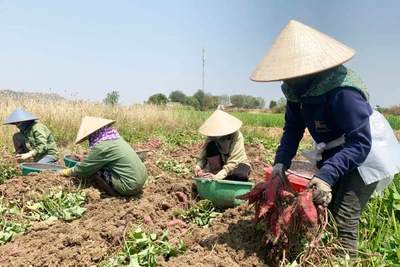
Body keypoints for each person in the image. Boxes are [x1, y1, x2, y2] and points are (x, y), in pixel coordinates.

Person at [250, 20, 400, 258]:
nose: (286, 81)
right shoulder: (296, 91)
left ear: (309, 68)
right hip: (336, 149)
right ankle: (324, 257)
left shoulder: (343, 91)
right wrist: (281, 163)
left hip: (365, 152)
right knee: (324, 210)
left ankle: (345, 261)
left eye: (291, 74)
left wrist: (326, 177)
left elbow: (360, 142)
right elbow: (292, 129)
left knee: (344, 216)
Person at [57, 116, 147, 196]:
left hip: (129, 186)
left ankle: (113, 194)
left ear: (93, 134)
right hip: (141, 179)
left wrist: (66, 172)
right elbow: (106, 158)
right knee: (96, 166)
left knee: (93, 171)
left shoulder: (101, 146)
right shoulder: (114, 138)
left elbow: (84, 169)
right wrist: (86, 159)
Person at [194, 110, 251, 182]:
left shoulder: (236, 136)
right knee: (210, 147)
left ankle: (226, 178)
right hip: (220, 163)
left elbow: (234, 161)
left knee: (239, 175)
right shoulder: (211, 136)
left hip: (237, 163)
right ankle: (216, 173)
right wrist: (199, 166)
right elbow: (203, 154)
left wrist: (219, 176)